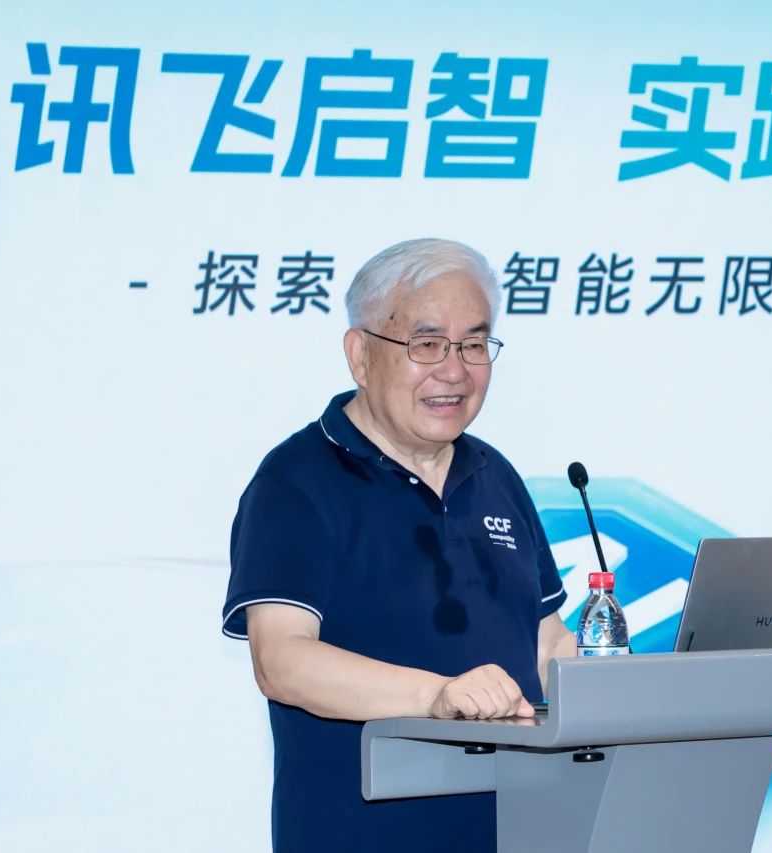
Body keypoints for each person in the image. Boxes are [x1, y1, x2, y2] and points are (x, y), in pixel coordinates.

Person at [222, 238, 576, 852]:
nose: (455, 370)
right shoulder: (297, 481)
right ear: (360, 355)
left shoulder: (495, 475)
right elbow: (281, 661)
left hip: (517, 832)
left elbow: (545, 641)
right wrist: (434, 696)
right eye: (427, 344)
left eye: (474, 344)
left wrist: (631, 693)